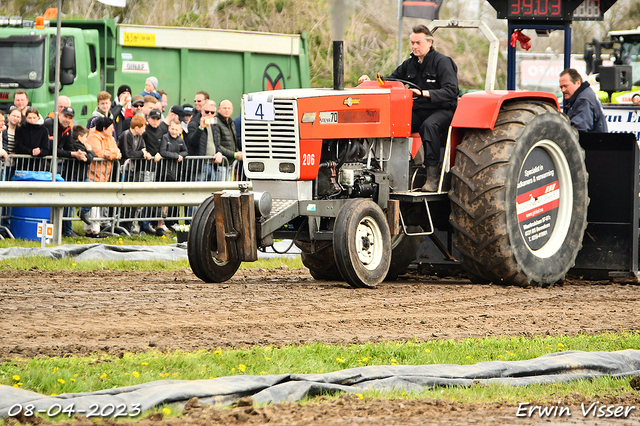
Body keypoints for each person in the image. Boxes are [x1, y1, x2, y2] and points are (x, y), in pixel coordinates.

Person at [359, 25, 458, 192]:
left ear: (429, 42)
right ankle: (377, 169)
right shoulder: (409, 64)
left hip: (442, 110)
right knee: (389, 123)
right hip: (419, 110)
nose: (414, 46)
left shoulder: (442, 62)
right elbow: (390, 82)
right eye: (412, 43)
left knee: (429, 126)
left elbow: (451, 91)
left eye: (418, 43)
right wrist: (371, 82)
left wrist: (423, 93)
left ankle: (432, 178)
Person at [84, 117, 121, 237]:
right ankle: (95, 230)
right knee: (94, 202)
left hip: (104, 175)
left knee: (96, 202)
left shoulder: (110, 138)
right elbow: (98, 153)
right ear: (104, 128)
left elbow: (118, 152)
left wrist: (109, 153)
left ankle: (90, 229)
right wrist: (111, 153)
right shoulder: (93, 137)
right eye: (111, 128)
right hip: (93, 175)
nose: (113, 130)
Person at [58, 122, 95, 237]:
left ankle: (83, 212)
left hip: (81, 178)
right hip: (72, 178)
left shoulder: (81, 146)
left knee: (93, 189)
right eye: (85, 137)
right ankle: (68, 231)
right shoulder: (77, 146)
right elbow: (87, 159)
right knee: (69, 206)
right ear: (79, 137)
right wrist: (90, 151)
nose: (87, 140)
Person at [118, 115, 152, 234]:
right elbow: (128, 153)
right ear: (137, 128)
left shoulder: (140, 137)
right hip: (124, 171)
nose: (144, 131)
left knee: (133, 200)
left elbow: (143, 148)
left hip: (134, 171)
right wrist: (141, 153)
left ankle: (130, 224)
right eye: (143, 128)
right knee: (125, 200)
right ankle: (123, 225)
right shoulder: (126, 135)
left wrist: (145, 153)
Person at [159, 119, 188, 231]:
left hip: (175, 172)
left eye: (176, 129)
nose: (174, 131)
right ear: (168, 128)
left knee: (172, 197)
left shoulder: (181, 140)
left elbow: (185, 151)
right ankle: (161, 222)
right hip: (165, 172)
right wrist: (176, 156)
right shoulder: (165, 138)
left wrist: (181, 155)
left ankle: (171, 221)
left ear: (180, 130)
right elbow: (163, 152)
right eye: (172, 129)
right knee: (164, 198)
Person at [559, 68, 608, 133]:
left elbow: (579, 130)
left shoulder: (583, 100)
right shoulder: (584, 95)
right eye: (561, 87)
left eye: (565, 86)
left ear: (578, 83)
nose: (563, 90)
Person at [186, 99, 223, 181]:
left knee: (212, 191)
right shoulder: (194, 123)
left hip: (212, 164)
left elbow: (216, 143)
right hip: (199, 166)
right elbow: (191, 142)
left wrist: (219, 152)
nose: (209, 114)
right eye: (207, 112)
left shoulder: (213, 125)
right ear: (202, 111)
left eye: (212, 112)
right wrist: (201, 128)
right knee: (198, 192)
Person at [14, 107, 51, 171]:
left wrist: (40, 152)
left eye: (34, 118)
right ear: (26, 118)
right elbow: (18, 146)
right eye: (29, 118)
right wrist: (30, 151)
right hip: (22, 165)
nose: (32, 120)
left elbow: (46, 148)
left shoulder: (44, 130)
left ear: (38, 117)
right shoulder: (20, 129)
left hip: (39, 166)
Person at [215, 99, 242, 163]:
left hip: (231, 163)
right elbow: (217, 145)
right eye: (224, 108)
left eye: (229, 108)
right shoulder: (216, 122)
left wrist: (238, 153)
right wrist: (234, 154)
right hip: (222, 163)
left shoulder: (232, 123)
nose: (227, 110)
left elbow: (234, 143)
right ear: (219, 109)